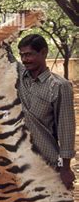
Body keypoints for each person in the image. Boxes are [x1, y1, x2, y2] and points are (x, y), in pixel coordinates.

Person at [17, 34, 76, 190]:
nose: (24, 59)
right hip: (19, 162)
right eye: (22, 55)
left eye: (29, 54)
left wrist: (65, 169)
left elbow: (66, 130)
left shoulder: (59, 86)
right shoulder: (18, 77)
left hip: (48, 162)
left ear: (43, 53)